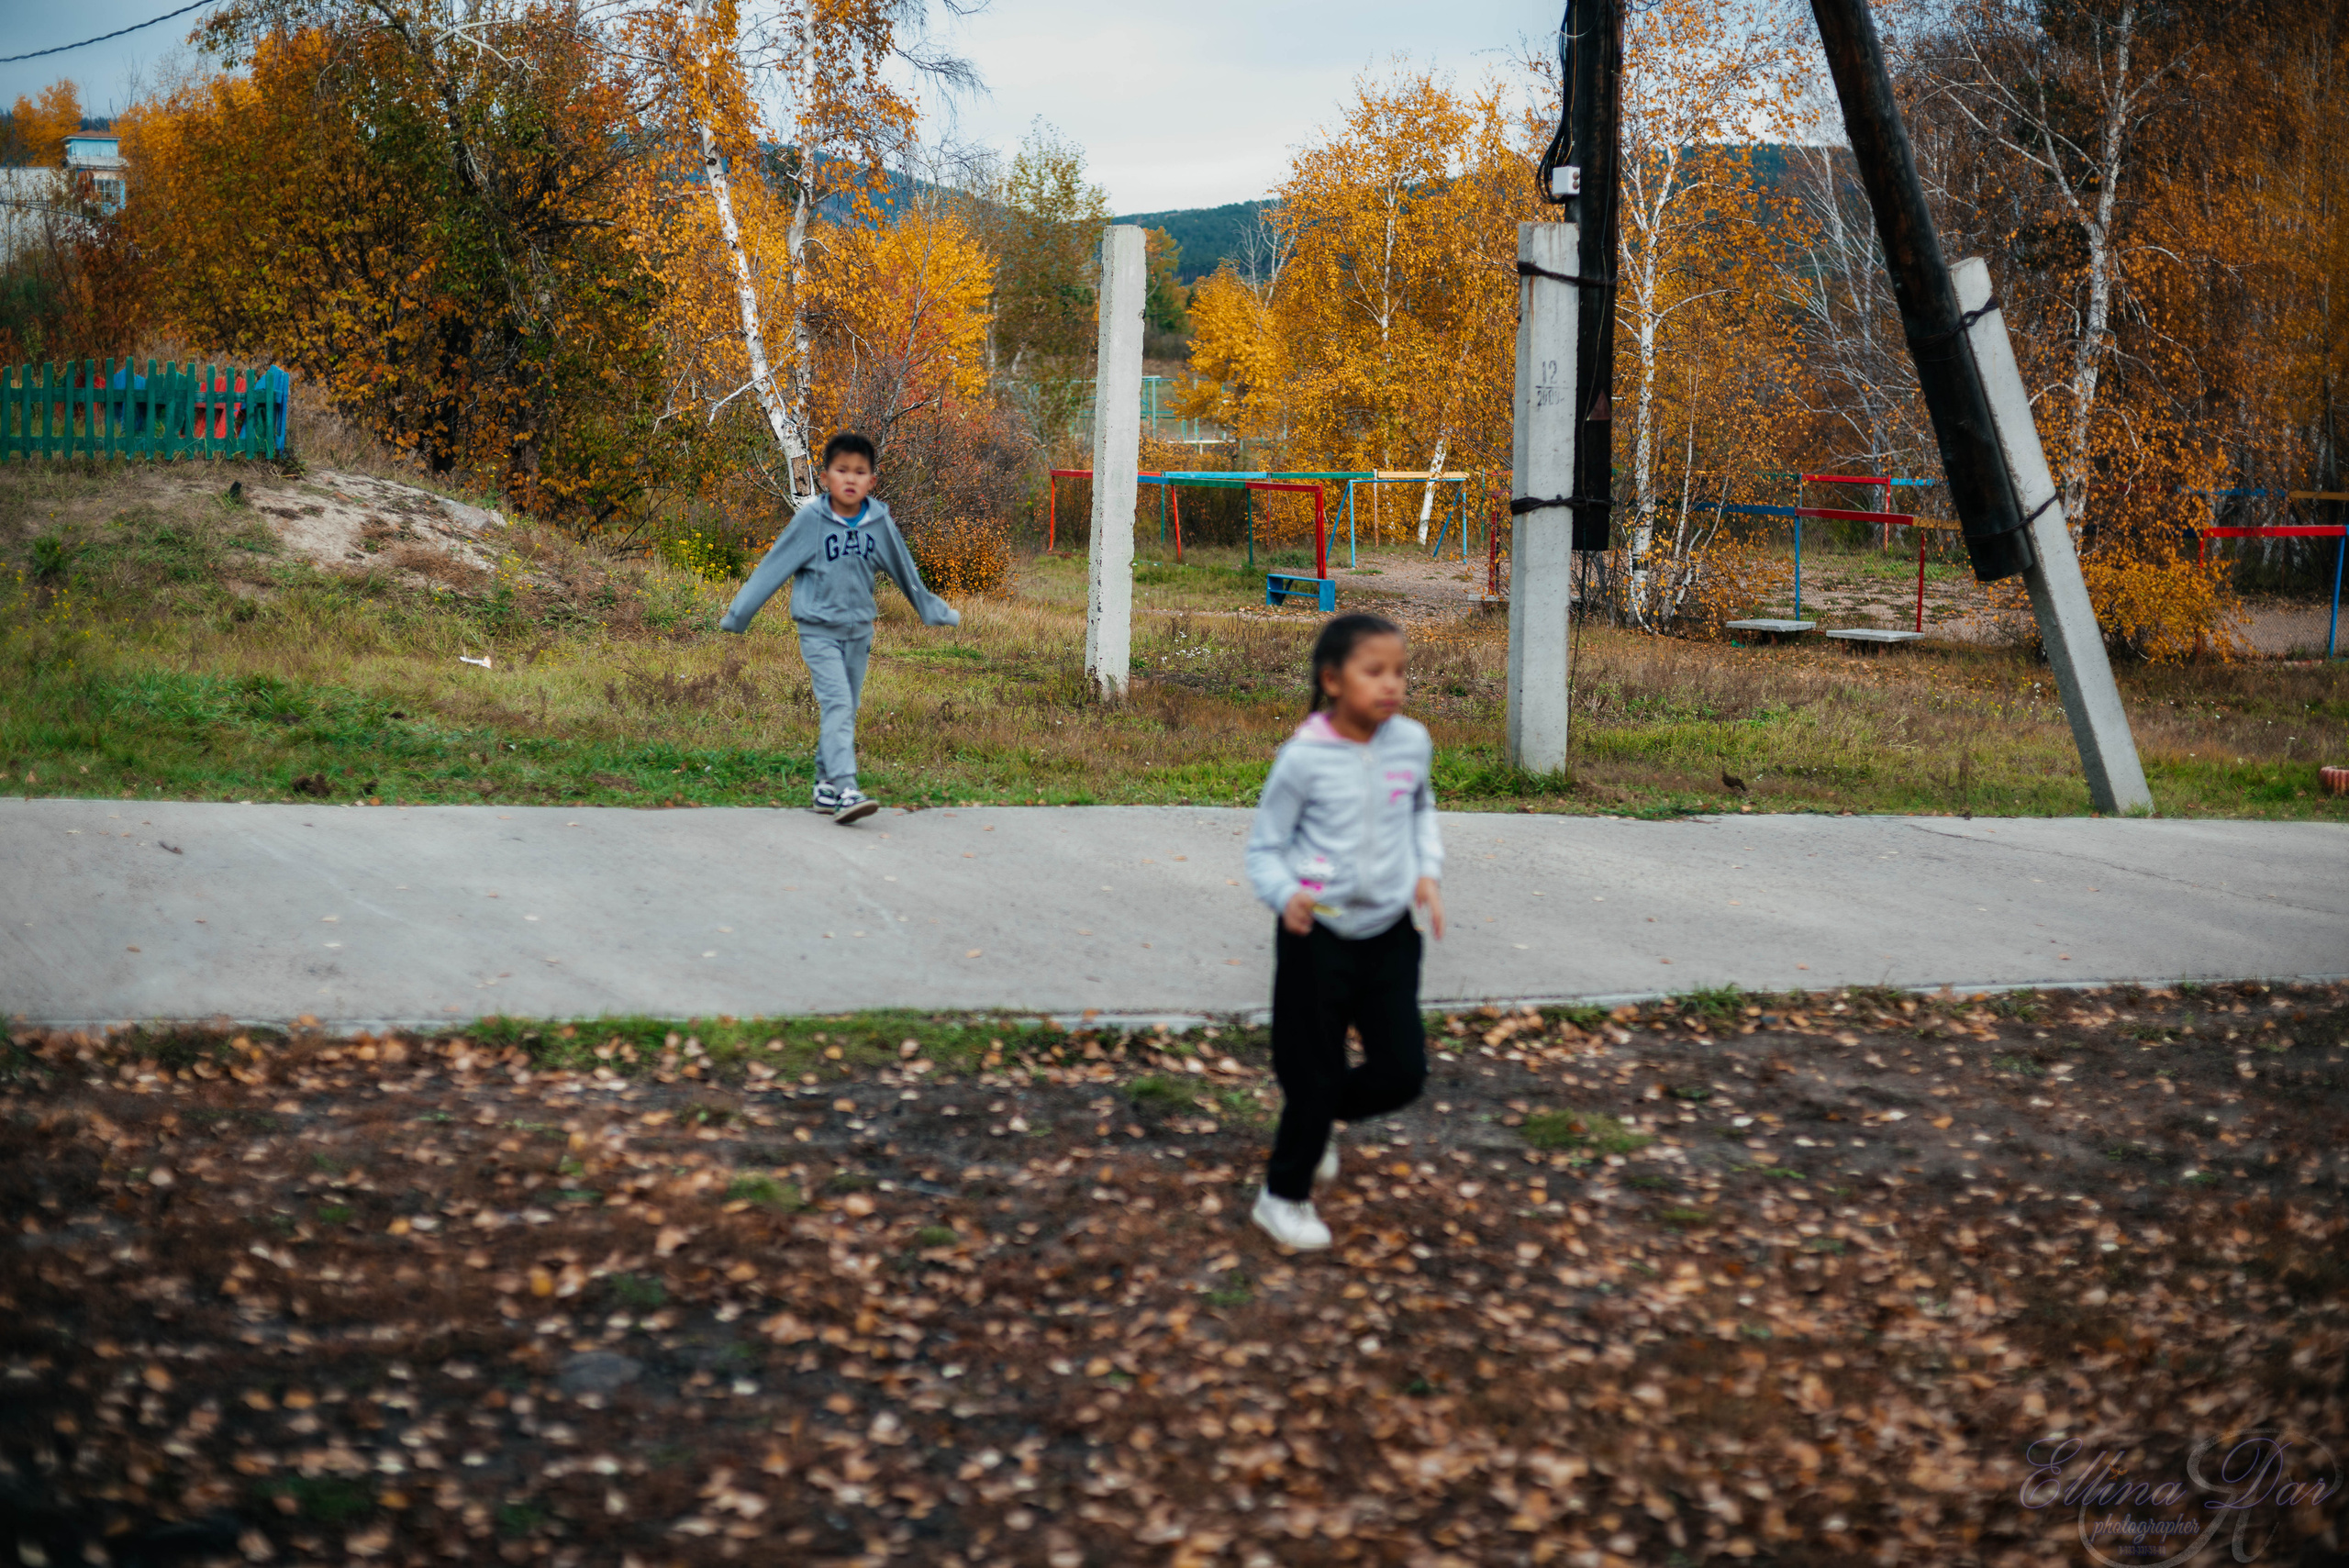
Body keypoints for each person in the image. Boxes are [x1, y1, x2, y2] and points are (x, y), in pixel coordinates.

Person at [1242, 612, 1445, 1251]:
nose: (1391, 685)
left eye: (1400, 672)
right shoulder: (1303, 758)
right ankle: (1283, 1197)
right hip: (1317, 934)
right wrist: (1286, 896)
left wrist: (1427, 875)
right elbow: (1265, 848)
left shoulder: (1412, 742)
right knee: (1313, 1071)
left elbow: (1421, 813)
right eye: (1374, 671)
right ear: (1333, 679)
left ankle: (1320, 1117)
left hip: (1389, 932)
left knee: (1402, 1071)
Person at [718, 432, 961, 825]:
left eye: (859, 472)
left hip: (859, 632)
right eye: (841, 470)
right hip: (818, 631)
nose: (850, 478)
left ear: (872, 481)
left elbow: (904, 570)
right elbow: (772, 568)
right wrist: (739, 614)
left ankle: (824, 785)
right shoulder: (811, 521)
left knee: (846, 706)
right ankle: (846, 788)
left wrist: (932, 610)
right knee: (838, 705)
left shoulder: (879, 521)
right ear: (827, 476)